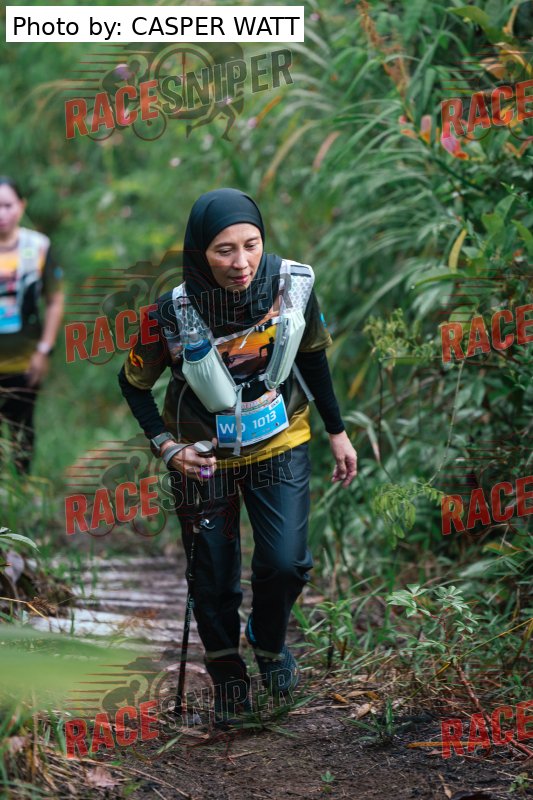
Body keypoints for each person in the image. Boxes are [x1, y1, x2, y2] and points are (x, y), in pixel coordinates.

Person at [118, 188, 357, 725]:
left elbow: (313, 359)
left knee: (287, 562)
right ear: (200, 252)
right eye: (224, 250)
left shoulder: (291, 284)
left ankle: (269, 643)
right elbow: (133, 383)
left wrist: (338, 431)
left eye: (251, 245)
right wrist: (167, 447)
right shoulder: (170, 313)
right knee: (212, 575)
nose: (241, 262)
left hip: (279, 440)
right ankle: (228, 678)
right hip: (203, 458)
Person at [0, 177, 64, 475]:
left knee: (22, 426)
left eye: (7, 205)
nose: (1, 214)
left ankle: (22, 487)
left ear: (21, 206)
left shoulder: (38, 246)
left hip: (24, 358)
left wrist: (44, 349)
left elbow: (54, 299)